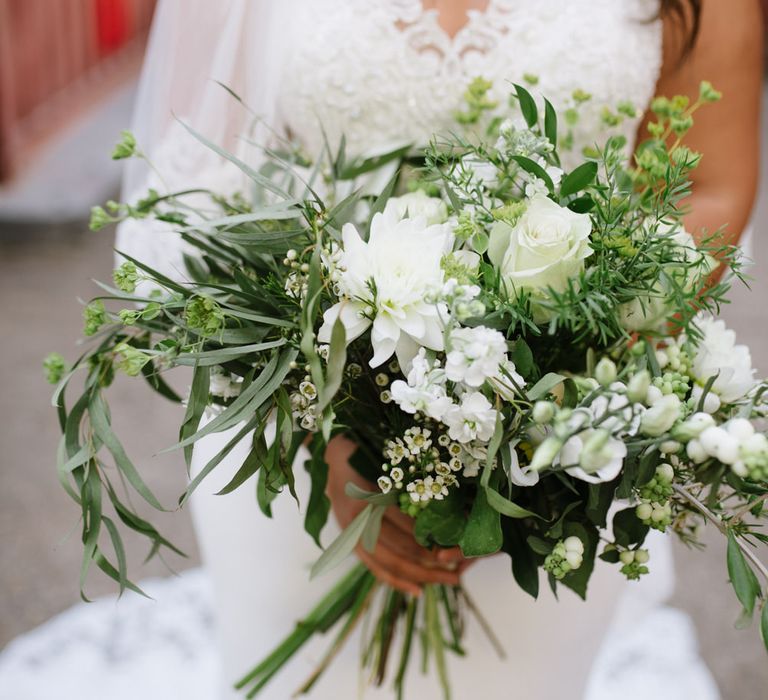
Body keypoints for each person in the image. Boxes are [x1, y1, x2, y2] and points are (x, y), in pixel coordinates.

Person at [116, 1, 763, 698]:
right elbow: (204, 184)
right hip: (285, 416)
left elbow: (707, 190)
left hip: (548, 460)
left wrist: (539, 410)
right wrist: (329, 423)